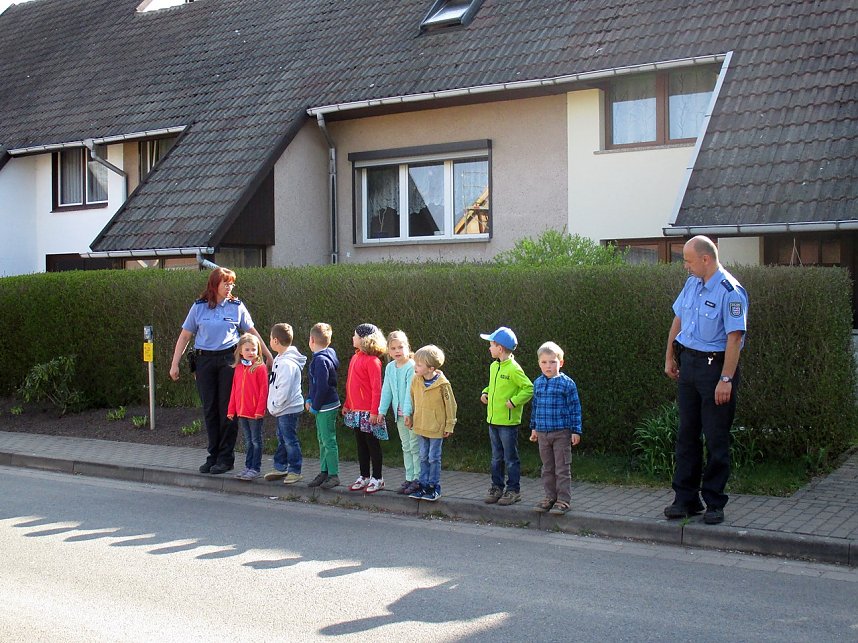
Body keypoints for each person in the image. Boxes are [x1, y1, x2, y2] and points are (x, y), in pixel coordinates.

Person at [663, 235, 748, 525]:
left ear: (705, 259)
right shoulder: (691, 285)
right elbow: (678, 320)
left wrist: (726, 378)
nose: (684, 266)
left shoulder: (731, 291)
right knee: (687, 434)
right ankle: (685, 499)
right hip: (689, 365)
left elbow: (734, 338)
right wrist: (670, 357)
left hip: (715, 369)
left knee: (715, 437)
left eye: (687, 260)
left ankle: (714, 502)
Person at [169, 267, 272, 475]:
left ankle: (226, 458)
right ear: (214, 285)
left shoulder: (236, 306)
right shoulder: (199, 307)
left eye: (232, 283)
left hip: (228, 360)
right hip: (204, 361)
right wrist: (175, 363)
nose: (229, 287)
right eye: (226, 283)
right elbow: (185, 336)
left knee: (228, 409)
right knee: (210, 409)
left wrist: (267, 355)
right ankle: (213, 455)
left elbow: (251, 331)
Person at [479, 326, 533, 506]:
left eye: (491, 345)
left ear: (500, 348)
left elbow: (528, 388)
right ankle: (496, 487)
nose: (489, 348)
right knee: (496, 457)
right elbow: (492, 386)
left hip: (508, 423)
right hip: (493, 420)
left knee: (510, 458)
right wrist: (485, 392)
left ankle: (513, 490)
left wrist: (515, 401)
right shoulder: (494, 366)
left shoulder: (514, 369)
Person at [528, 341, 582, 515]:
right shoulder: (537, 383)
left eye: (552, 362)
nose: (548, 366)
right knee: (547, 467)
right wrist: (534, 428)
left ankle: (563, 500)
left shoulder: (567, 384)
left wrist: (576, 430)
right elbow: (535, 407)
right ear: (539, 364)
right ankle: (549, 497)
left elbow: (575, 408)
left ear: (561, 362)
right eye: (544, 362)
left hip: (561, 433)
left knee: (562, 468)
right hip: (543, 433)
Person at [408, 345, 457, 502]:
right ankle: (422, 485)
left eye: (419, 365)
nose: (415, 367)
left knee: (433, 457)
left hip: (436, 428)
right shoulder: (416, 380)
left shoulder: (443, 385)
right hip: (421, 426)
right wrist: (409, 415)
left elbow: (451, 406)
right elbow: (411, 398)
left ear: (431, 368)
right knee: (423, 456)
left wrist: (450, 425)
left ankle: (433, 486)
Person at [343, 323, 387, 494]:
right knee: (360, 443)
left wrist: (375, 411)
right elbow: (350, 384)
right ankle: (364, 475)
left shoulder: (373, 361)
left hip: (369, 412)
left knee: (372, 444)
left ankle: (378, 477)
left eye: (355, 335)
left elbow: (377, 388)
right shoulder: (355, 358)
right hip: (356, 411)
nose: (352, 338)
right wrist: (348, 404)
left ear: (364, 339)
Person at [264, 323, 307, 484]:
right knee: (282, 437)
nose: (269, 341)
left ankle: (295, 470)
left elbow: (285, 389)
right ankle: (280, 466)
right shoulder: (280, 359)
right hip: (282, 408)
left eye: (270, 338)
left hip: (287, 408)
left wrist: (275, 404)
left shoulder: (287, 364)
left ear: (275, 340)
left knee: (289, 439)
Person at [378, 330, 419, 495]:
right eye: (393, 348)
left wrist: (408, 413)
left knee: (415, 446)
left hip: (411, 415)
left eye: (400, 347)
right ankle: (409, 477)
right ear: (388, 350)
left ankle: (418, 478)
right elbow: (386, 390)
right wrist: (381, 411)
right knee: (406, 446)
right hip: (399, 415)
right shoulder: (390, 367)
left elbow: (411, 392)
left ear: (407, 347)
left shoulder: (411, 366)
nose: (397, 351)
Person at [227, 333, 269, 480]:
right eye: (247, 350)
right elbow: (234, 390)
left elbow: (264, 391)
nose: (251, 353)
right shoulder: (238, 368)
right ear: (240, 351)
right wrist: (231, 409)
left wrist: (260, 410)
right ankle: (248, 466)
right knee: (248, 440)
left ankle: (255, 467)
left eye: (253, 349)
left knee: (256, 441)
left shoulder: (260, 368)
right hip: (242, 411)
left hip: (254, 413)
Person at [305, 323, 341, 490]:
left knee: (328, 440)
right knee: (322, 439)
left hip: (326, 405)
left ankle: (333, 474)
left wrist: (315, 405)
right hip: (323, 404)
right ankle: (324, 471)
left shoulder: (320, 360)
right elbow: (314, 385)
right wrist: (309, 398)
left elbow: (322, 385)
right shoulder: (327, 354)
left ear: (312, 340)